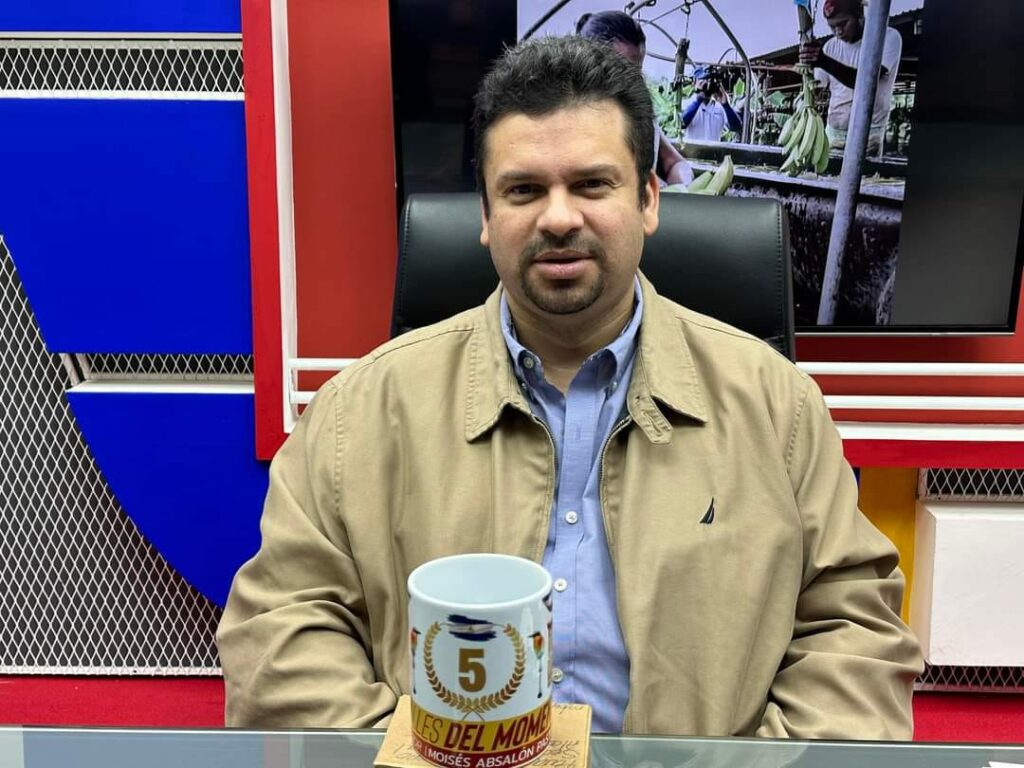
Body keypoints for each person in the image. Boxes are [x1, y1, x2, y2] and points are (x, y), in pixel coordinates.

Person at [217, 35, 923, 738]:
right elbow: (279, 636)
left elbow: (853, 634)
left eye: (591, 185)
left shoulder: (777, 407)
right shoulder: (360, 412)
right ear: (486, 217)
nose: (558, 218)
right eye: (523, 190)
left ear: (649, 200)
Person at [576, 11, 694, 187]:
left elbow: (673, 162)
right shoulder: (571, 121)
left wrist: (682, 186)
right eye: (622, 70)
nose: (632, 80)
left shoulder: (639, 114)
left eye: (636, 71)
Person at [799, 0, 903, 156]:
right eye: (832, 27)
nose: (838, 32)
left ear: (859, 14)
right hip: (833, 134)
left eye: (843, 24)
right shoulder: (830, 47)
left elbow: (866, 82)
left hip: (868, 137)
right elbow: (817, 88)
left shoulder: (885, 38)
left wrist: (824, 61)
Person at [680, 66, 743, 142]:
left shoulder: (719, 107)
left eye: (709, 81)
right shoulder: (687, 104)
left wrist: (726, 105)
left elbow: (736, 127)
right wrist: (698, 101)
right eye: (702, 81)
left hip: (713, 149)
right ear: (694, 84)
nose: (707, 84)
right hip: (692, 149)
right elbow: (681, 124)